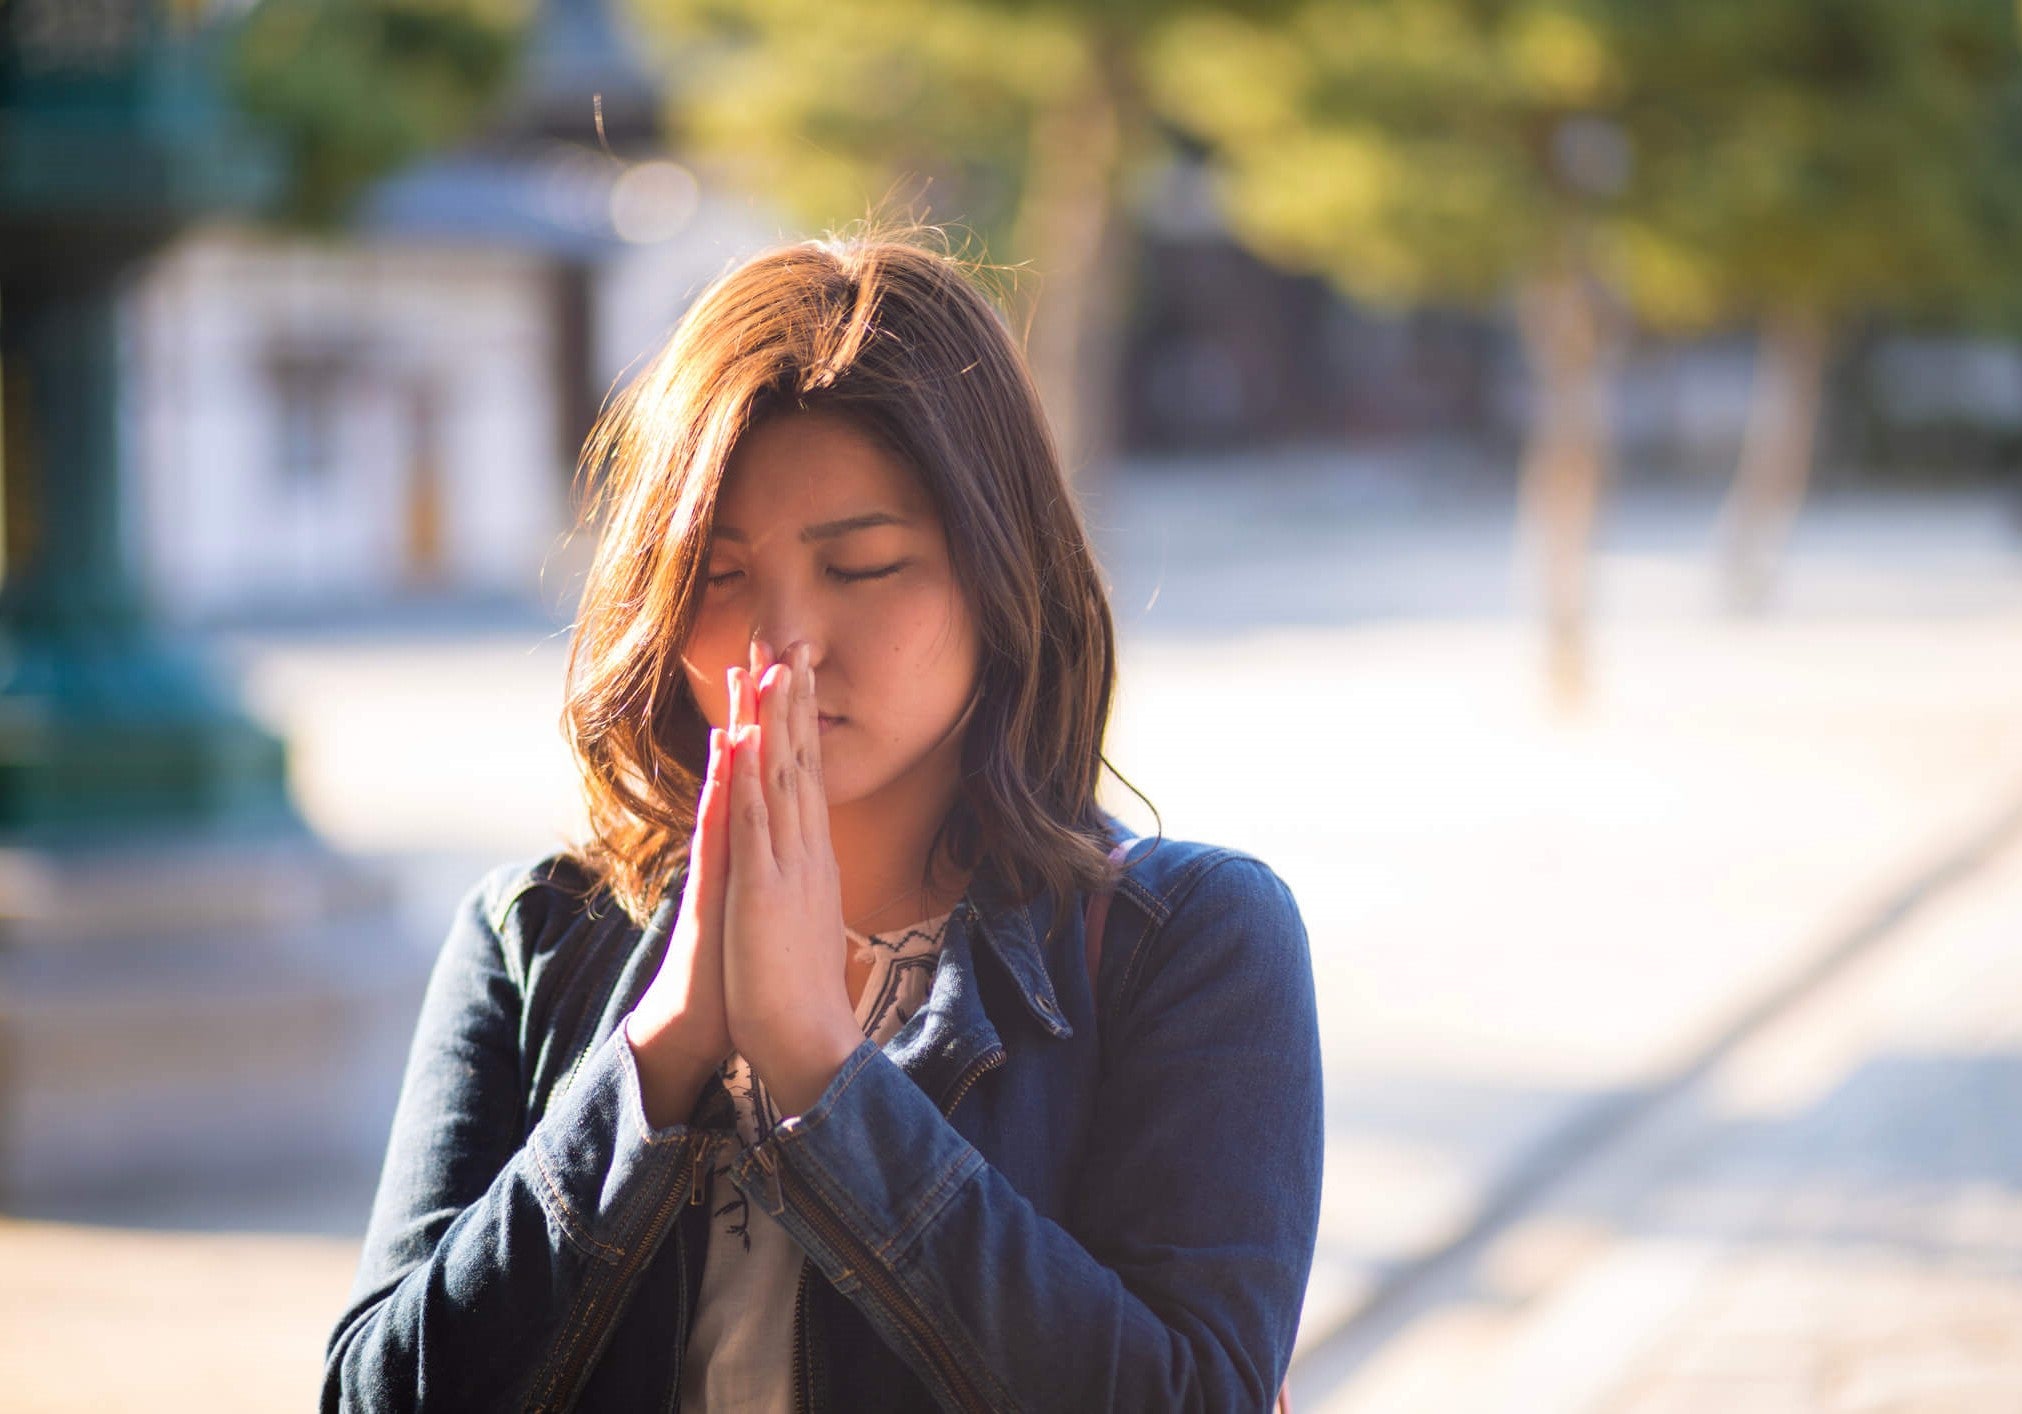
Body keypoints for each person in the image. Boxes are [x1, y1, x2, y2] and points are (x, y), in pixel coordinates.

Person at [321, 231, 1324, 1412]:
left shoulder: (1191, 940)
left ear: (1002, 574)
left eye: (863, 566)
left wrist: (825, 1077)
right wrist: (658, 1055)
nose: (780, 642)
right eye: (719, 575)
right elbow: (375, 1393)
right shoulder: (535, 937)